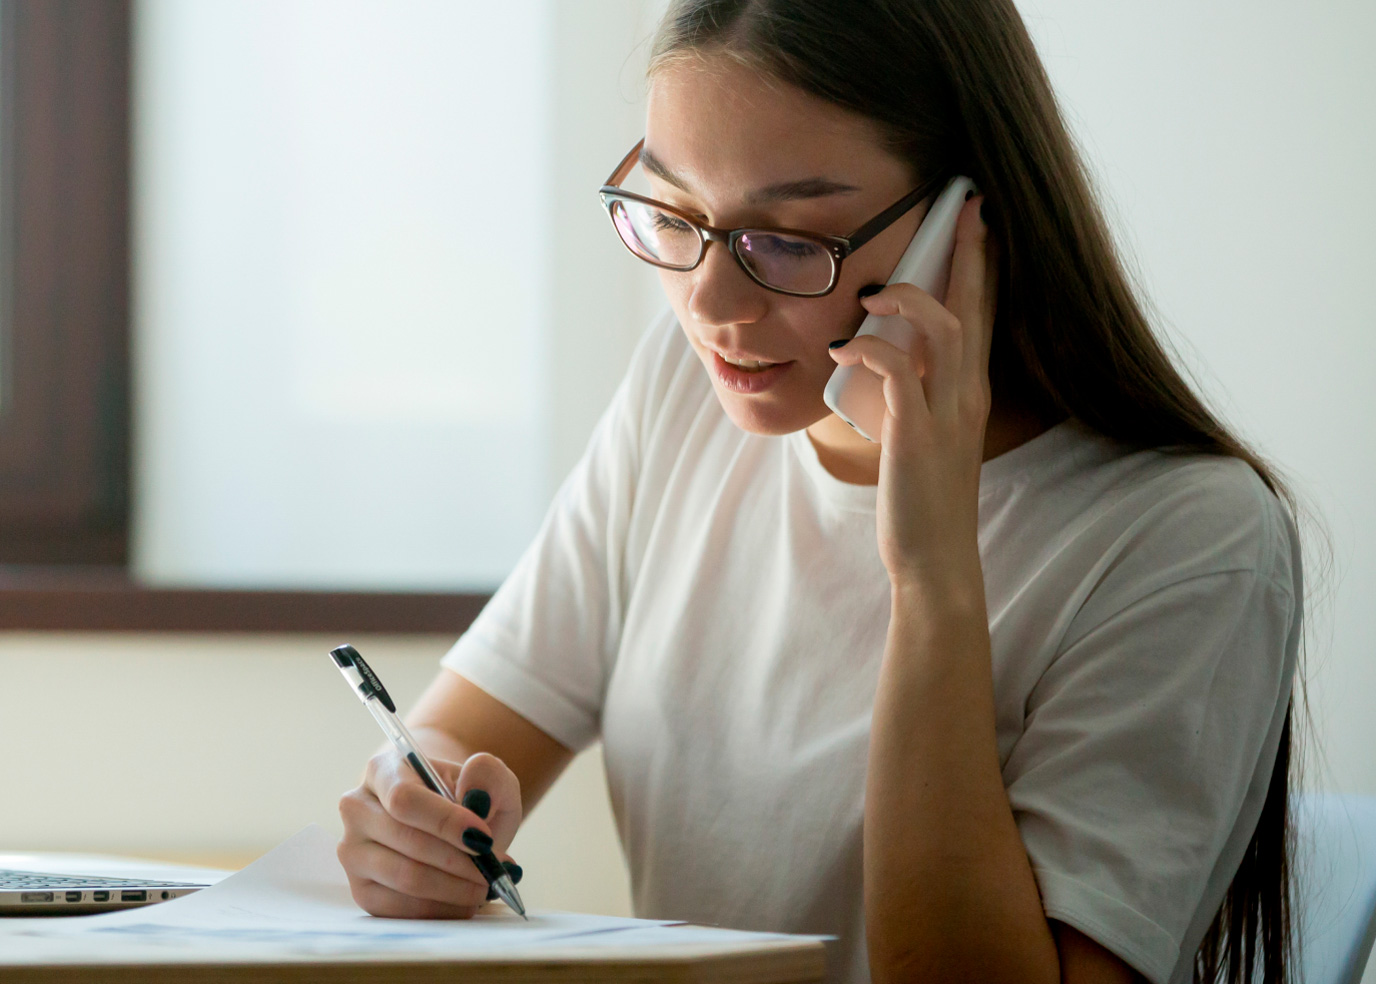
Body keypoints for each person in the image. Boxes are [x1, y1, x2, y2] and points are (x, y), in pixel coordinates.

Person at [332, 1, 1305, 983]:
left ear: (969, 220)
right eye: (673, 215)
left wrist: (931, 579)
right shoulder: (685, 391)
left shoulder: (1189, 536)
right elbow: (464, 732)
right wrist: (416, 810)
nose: (711, 304)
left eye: (791, 242)